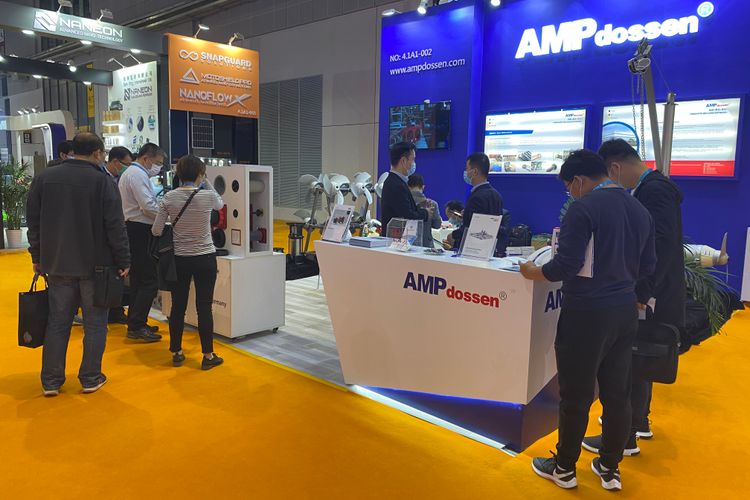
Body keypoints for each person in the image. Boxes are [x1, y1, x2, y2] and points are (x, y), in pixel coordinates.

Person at [519, 149, 655, 491]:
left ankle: (564, 467)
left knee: (576, 394)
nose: (570, 193)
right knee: (617, 392)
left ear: (578, 181)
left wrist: (534, 272)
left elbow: (566, 265)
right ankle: (610, 467)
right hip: (625, 311)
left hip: (586, 313)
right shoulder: (639, 210)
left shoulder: (583, 209)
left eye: (568, 187)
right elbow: (649, 265)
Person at [578, 139, 686, 455]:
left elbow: (659, 246)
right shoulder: (653, 188)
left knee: (628, 363)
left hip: (650, 293)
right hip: (652, 290)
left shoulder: (654, 191)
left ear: (614, 167)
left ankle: (623, 437)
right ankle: (637, 423)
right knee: (639, 359)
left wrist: (643, 290)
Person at [27, 132, 130, 396]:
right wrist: (123, 259)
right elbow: (115, 225)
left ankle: (51, 381)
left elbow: (33, 221)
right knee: (95, 324)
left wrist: (36, 256)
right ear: (97, 153)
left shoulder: (44, 178)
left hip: (57, 264)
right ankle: (90, 377)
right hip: (96, 266)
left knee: (57, 323)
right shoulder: (102, 181)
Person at [152, 155, 225, 370]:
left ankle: (176, 352)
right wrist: (206, 180)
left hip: (180, 260)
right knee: (204, 307)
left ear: (178, 174)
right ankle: (208, 355)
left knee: (178, 306)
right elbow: (220, 203)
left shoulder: (169, 197)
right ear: (201, 174)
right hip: (205, 258)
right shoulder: (207, 197)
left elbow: (156, 230)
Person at [118, 143, 165, 342]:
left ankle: (136, 322)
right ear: (146, 158)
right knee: (149, 280)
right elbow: (147, 206)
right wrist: (166, 216)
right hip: (140, 230)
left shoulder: (133, 173)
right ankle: (137, 325)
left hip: (134, 229)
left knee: (138, 280)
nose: (159, 167)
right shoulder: (137, 175)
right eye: (158, 162)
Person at [443, 153, 503, 253]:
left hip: (473, 249)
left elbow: (471, 227)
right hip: (489, 248)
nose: (466, 172)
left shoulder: (476, 197)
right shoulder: (496, 195)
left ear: (475, 172)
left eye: (467, 169)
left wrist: (453, 235)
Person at [380, 142, 432, 244]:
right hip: (396, 242)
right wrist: (426, 213)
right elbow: (407, 215)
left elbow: (403, 209)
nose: (414, 163)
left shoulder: (394, 181)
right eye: (413, 159)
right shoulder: (397, 185)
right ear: (403, 161)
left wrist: (418, 207)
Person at [407, 173, 442, 248]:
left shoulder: (404, 204)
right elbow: (437, 225)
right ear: (423, 187)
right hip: (426, 246)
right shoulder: (432, 204)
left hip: (406, 245)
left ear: (407, 187)